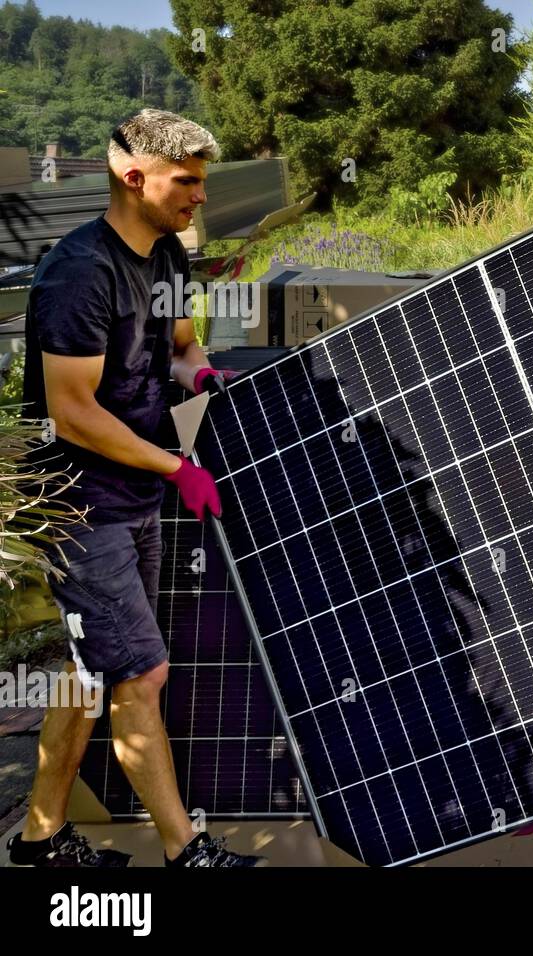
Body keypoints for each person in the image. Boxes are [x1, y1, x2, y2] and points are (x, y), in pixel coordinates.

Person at [7, 109, 260, 867]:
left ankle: (40, 837)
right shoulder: (78, 272)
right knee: (142, 673)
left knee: (95, 669)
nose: (200, 197)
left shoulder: (167, 258)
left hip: (134, 497)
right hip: (78, 504)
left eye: (202, 183)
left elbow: (179, 347)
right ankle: (190, 852)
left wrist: (203, 374)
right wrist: (174, 466)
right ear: (132, 176)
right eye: (186, 181)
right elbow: (73, 412)